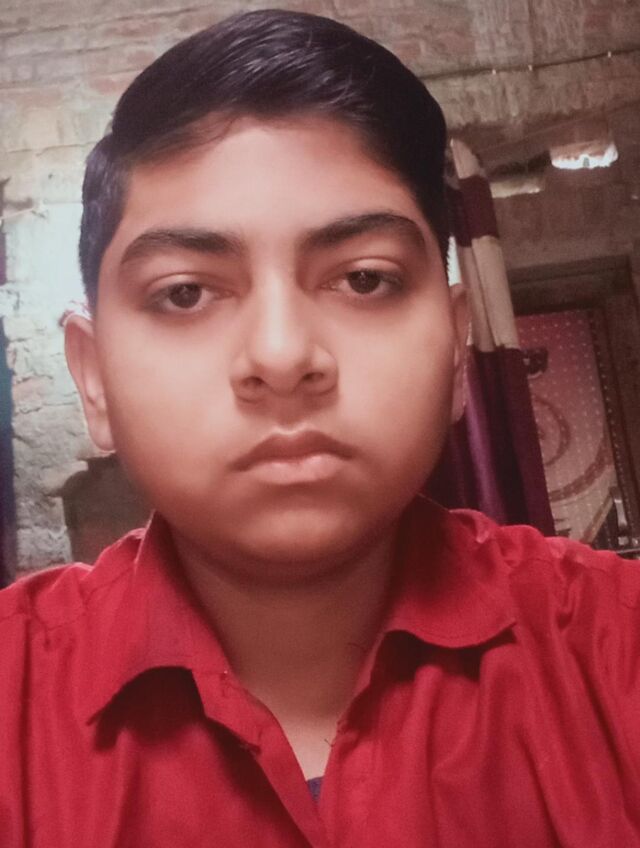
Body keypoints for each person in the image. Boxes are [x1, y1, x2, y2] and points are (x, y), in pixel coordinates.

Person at [1, 9, 639, 847]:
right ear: (93, 377)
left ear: (456, 348)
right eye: (186, 292)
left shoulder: (613, 650)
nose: (281, 356)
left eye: (364, 279)